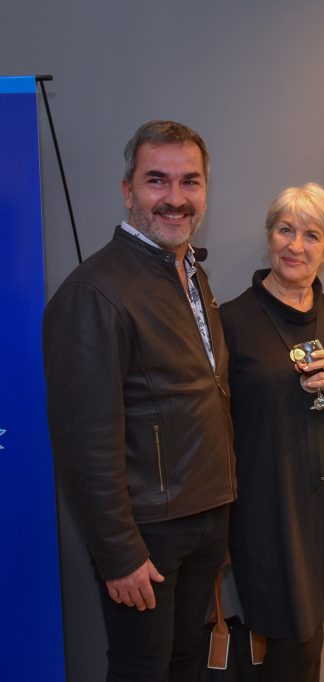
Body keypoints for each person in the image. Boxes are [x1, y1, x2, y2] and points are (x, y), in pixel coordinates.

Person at [42, 120, 235, 681]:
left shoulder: (191, 274)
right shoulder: (94, 293)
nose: (175, 197)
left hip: (204, 517)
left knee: (184, 662)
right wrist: (119, 552)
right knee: (141, 669)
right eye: (157, 180)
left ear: (205, 191)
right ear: (128, 191)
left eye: (190, 181)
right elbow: (84, 444)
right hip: (146, 532)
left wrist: (219, 515)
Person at [220, 182, 324, 681]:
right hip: (268, 508)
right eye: (285, 230)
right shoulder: (231, 320)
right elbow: (215, 426)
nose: (295, 245)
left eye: (311, 235)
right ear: (269, 236)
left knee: (311, 638)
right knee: (292, 639)